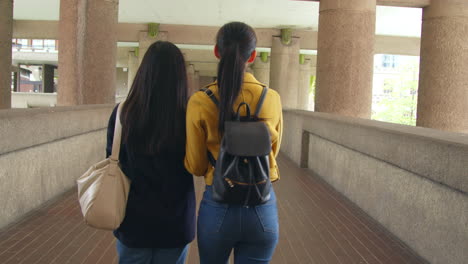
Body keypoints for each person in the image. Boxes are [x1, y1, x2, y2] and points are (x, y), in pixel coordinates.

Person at [185, 22, 283, 264]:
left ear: (217, 52)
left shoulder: (200, 100)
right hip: (262, 206)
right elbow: (273, 152)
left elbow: (196, 166)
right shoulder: (271, 98)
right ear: (253, 56)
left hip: (218, 205)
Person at [106, 41, 195, 264]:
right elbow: (198, 163)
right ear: (180, 76)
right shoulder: (188, 115)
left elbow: (113, 158)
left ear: (144, 72)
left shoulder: (123, 113)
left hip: (133, 221)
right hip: (175, 222)